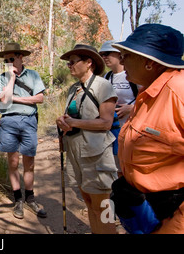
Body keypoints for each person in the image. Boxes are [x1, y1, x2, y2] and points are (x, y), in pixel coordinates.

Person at [111, 24, 184, 234]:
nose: (121, 61)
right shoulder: (148, 93)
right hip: (144, 213)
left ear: (149, 62)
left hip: (171, 219)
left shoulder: (178, 91)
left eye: (127, 55)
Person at [56, 44, 118, 234]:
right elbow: (73, 118)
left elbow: (106, 123)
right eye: (68, 63)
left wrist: (74, 123)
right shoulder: (73, 89)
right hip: (77, 153)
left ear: (88, 63)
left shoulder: (103, 85)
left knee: (104, 207)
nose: (69, 66)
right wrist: (63, 122)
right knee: (90, 202)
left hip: (97, 154)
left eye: (73, 62)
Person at [0, 42, 47, 219]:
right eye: (5, 60)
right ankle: (18, 199)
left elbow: (39, 98)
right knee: (13, 162)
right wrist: (11, 78)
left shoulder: (33, 75)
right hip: (9, 121)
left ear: (20, 57)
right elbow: (3, 98)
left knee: (29, 163)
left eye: (11, 58)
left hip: (29, 121)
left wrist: (15, 98)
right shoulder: (2, 78)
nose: (8, 62)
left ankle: (30, 198)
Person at [99, 40, 139, 175]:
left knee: (132, 165)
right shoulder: (107, 77)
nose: (104, 57)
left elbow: (150, 101)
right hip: (114, 130)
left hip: (133, 129)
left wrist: (131, 108)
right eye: (102, 54)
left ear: (119, 55)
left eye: (107, 54)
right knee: (117, 165)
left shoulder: (132, 75)